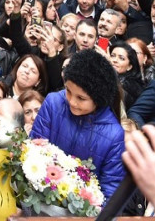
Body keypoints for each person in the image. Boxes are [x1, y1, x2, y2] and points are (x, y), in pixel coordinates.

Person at [30, 49, 125, 199]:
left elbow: (111, 191)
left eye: (81, 98)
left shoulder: (114, 135)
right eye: (68, 90)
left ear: (98, 99)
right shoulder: (53, 103)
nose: (72, 101)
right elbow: (33, 150)